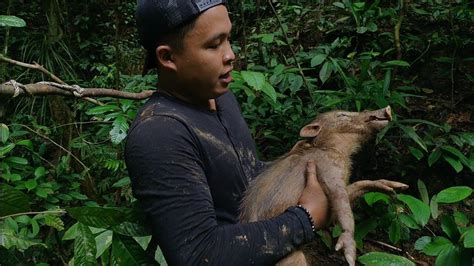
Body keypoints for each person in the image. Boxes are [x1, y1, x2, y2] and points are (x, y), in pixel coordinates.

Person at [125, 1, 330, 265]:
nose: (230, 54)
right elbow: (199, 255)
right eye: (213, 45)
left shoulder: (220, 98)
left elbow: (242, 177)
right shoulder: (158, 134)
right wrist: (306, 218)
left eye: (228, 39)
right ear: (168, 57)